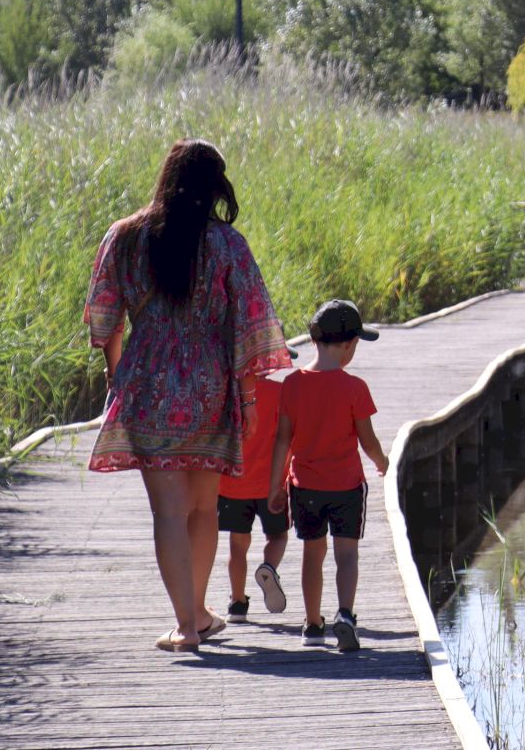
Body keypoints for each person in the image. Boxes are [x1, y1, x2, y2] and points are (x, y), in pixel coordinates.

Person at [84, 139, 293, 653]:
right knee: (204, 510)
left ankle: (188, 622)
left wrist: (118, 377)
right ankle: (195, 614)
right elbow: (251, 324)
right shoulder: (226, 244)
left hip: (148, 383)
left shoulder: (125, 236)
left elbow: (104, 318)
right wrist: (247, 398)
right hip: (209, 385)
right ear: (213, 184)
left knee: (168, 513)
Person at [267, 300, 388, 652]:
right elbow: (368, 440)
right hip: (347, 486)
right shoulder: (355, 388)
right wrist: (382, 461)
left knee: (312, 553)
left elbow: (282, 441)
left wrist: (275, 485)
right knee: (346, 555)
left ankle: (312, 624)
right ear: (349, 344)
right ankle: (346, 615)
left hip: (304, 487)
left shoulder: (291, 385)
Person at [216, 368, 289, 623]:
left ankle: (237, 604)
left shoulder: (228, 395)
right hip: (272, 484)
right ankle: (268, 567)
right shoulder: (281, 393)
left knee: (237, 546)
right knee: (278, 536)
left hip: (233, 484)